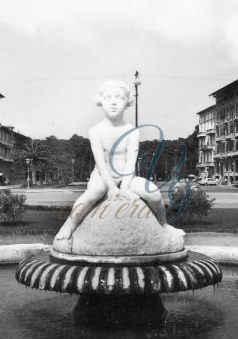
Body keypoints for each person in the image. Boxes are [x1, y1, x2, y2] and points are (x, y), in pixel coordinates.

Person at [54, 80, 180, 242]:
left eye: (119, 98)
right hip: (103, 176)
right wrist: (112, 187)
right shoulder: (96, 131)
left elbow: (131, 161)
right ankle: (69, 224)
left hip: (127, 176)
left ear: (128, 103)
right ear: (100, 101)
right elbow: (100, 161)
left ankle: (163, 224)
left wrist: (126, 186)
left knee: (154, 193)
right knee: (93, 193)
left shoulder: (131, 131)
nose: (113, 102)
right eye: (108, 97)